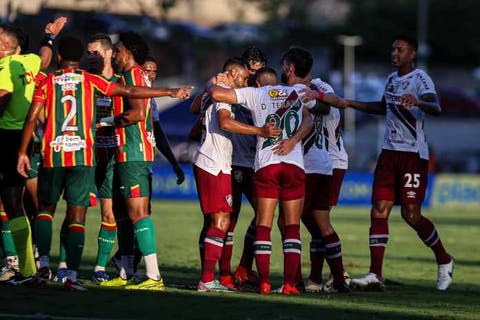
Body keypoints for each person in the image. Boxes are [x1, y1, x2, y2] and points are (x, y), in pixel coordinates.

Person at [17, 35, 192, 290]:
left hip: (67, 154)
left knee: (49, 210)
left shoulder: (51, 81)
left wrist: (23, 151)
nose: (98, 56)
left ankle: (46, 264)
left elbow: (34, 116)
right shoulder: (93, 80)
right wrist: (169, 92)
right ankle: (85, 274)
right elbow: (135, 99)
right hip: (89, 156)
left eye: (113, 51)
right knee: (92, 214)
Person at [208, 47, 345, 295]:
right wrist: (292, 142)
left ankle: (264, 282)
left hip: (266, 164)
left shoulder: (254, 93)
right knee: (292, 227)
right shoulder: (297, 91)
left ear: (259, 82)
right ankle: (291, 284)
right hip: (293, 164)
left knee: (263, 225)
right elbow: (313, 117)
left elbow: (218, 95)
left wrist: (215, 82)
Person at [345, 35, 454, 291]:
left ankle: (444, 259)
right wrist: (351, 103)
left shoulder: (420, 78)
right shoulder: (392, 79)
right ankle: (375, 274)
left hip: (412, 156)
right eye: (393, 48)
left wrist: (418, 101)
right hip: (388, 153)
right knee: (378, 209)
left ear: (412, 54)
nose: (394, 53)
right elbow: (384, 107)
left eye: (400, 49)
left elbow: (436, 107)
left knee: (411, 215)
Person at [193, 57, 280, 292]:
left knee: (221, 221)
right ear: (232, 74)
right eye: (243, 78)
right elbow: (225, 122)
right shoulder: (225, 92)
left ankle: (213, 277)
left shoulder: (217, 89)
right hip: (215, 162)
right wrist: (259, 130)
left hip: (216, 162)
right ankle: (209, 279)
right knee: (221, 221)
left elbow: (195, 109)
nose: (246, 83)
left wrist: (209, 87)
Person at [0, 20, 66, 282]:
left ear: (13, 50)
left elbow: (3, 99)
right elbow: (44, 58)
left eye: (3, 45)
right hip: (25, 139)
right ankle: (29, 264)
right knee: (16, 203)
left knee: (13, 204)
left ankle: (25, 265)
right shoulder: (28, 61)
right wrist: (49, 37)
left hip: (6, 137)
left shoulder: (5, 67)